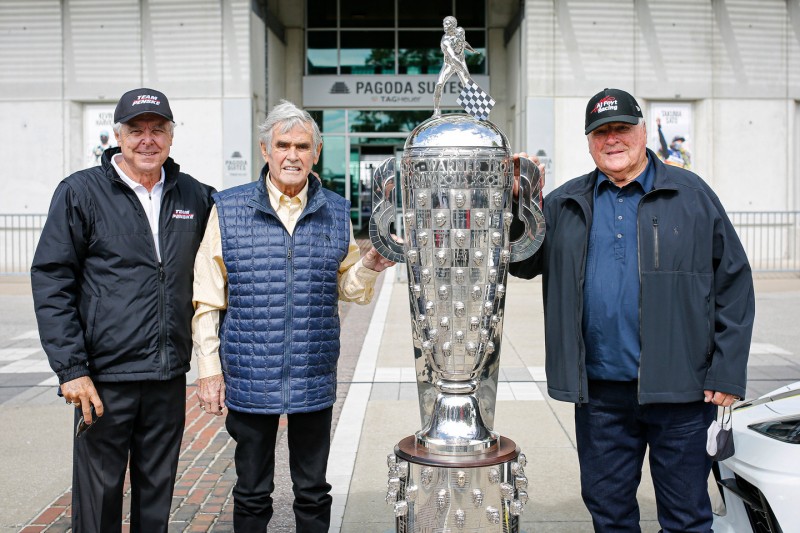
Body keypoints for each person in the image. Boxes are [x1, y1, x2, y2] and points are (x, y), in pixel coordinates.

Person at [509, 88, 754, 532]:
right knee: (610, 516)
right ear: (589, 141)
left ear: (643, 131)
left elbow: (734, 284)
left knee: (686, 519)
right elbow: (521, 262)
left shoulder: (692, 195)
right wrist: (519, 201)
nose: (612, 139)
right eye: (601, 131)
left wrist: (727, 372)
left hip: (682, 393)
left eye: (622, 128)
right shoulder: (563, 204)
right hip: (601, 397)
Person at [192, 100, 394, 532]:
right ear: (265, 150)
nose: (292, 155)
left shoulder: (337, 212)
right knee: (250, 490)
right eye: (282, 145)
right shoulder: (228, 210)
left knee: (313, 491)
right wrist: (210, 372)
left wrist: (370, 266)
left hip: (311, 374)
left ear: (316, 153)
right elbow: (208, 298)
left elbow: (346, 287)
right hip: (249, 376)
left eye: (302, 146)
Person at [31, 88, 215, 532]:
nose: (147, 140)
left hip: (167, 374)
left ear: (172, 136)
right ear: (118, 136)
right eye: (136, 130)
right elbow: (52, 279)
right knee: (98, 496)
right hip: (103, 378)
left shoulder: (196, 195)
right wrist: (71, 369)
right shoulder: (80, 192)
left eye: (158, 129)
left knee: (157, 493)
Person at [432, 16, 476, 115]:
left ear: (454, 25)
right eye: (444, 24)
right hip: (450, 63)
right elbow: (453, 57)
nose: (444, 26)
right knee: (439, 84)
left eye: (447, 24)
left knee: (467, 85)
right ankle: (436, 110)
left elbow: (463, 42)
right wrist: (464, 70)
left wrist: (472, 50)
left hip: (460, 60)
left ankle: (475, 110)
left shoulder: (460, 31)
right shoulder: (445, 41)